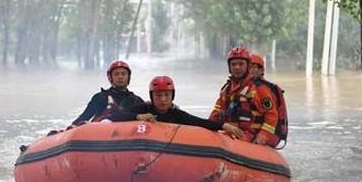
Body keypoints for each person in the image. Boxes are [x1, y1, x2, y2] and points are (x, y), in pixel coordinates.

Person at [111, 76, 245, 138]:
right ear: (152, 97)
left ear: (172, 96)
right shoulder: (143, 109)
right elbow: (115, 116)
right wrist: (138, 116)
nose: (163, 99)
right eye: (158, 96)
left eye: (166, 95)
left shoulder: (176, 114)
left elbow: (198, 121)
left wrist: (224, 126)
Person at [209, 46, 280, 147]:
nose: (237, 67)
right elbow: (216, 113)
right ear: (229, 67)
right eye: (233, 64)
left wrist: (262, 137)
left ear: (248, 66)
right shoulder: (227, 89)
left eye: (241, 64)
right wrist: (207, 128)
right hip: (229, 135)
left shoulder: (259, 89)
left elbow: (271, 115)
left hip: (249, 137)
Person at [70, 60, 145, 126]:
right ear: (110, 78)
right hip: (102, 136)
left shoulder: (136, 100)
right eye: (116, 74)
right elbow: (84, 117)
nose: (120, 77)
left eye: (123, 74)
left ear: (128, 77)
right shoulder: (101, 98)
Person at [248, 53, 289, 146]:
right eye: (249, 67)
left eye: (254, 67)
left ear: (261, 70)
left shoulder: (263, 90)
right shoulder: (237, 87)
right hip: (245, 133)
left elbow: (271, 116)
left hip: (261, 134)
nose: (251, 70)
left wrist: (262, 136)